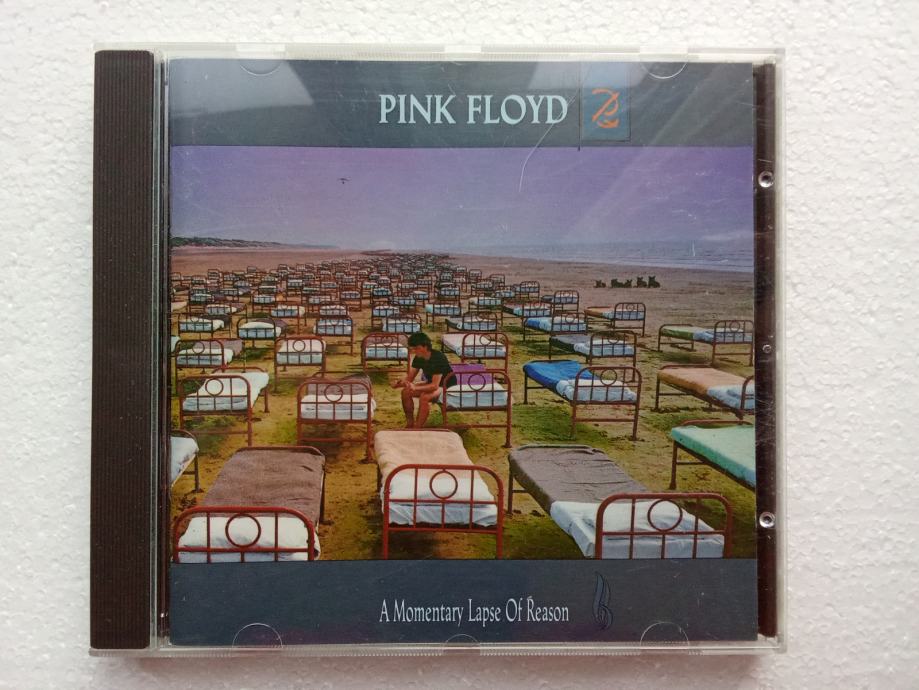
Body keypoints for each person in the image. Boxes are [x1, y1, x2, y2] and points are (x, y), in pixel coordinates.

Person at [391, 331, 456, 428]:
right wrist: (398, 384)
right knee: (405, 392)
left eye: (417, 348)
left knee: (425, 397)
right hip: (433, 383)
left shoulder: (438, 358)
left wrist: (415, 387)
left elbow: (434, 386)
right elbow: (409, 379)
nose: (414, 351)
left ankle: (418, 427)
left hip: (447, 385)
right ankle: (410, 423)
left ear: (425, 346)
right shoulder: (419, 358)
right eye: (413, 349)